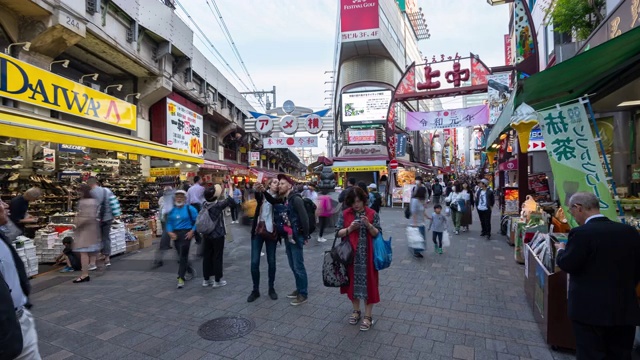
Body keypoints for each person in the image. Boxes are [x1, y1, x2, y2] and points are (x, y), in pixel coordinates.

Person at [555, 192, 640, 360]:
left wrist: (560, 251)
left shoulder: (582, 234)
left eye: (572, 212)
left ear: (578, 208)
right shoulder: (629, 232)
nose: (573, 216)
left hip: (589, 310)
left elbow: (567, 264)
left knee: (590, 354)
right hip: (624, 309)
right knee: (621, 355)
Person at [335, 187, 382, 331]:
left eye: (359, 201)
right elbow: (338, 233)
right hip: (351, 257)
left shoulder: (372, 213)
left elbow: (377, 234)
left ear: (363, 200)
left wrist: (368, 225)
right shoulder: (345, 214)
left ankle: (368, 316)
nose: (356, 205)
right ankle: (356, 310)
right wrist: (349, 229)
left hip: (368, 256)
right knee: (352, 285)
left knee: (370, 286)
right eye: (353, 202)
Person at [0, 200, 41, 359]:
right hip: (6, 333)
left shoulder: (2, 234)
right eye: (0, 201)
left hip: (20, 318)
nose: (5, 205)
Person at [277, 174, 310, 306]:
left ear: (290, 185)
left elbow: (304, 218)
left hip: (296, 237)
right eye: (279, 183)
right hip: (288, 237)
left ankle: (303, 293)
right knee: (293, 265)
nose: (280, 185)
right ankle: (299, 288)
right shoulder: (285, 199)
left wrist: (306, 235)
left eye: (283, 183)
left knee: (298, 265)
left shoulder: (296, 199)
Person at [248, 178, 281, 302]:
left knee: (271, 261)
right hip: (258, 230)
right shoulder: (262, 195)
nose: (276, 185)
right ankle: (255, 290)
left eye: (278, 183)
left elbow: (273, 201)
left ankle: (271, 288)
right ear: (269, 184)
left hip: (271, 232)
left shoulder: (280, 197)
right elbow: (258, 197)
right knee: (254, 262)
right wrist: (257, 189)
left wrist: (264, 192)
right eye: (274, 182)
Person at [201, 185, 235, 289]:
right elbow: (230, 199)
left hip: (206, 235)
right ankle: (217, 280)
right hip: (217, 235)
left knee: (207, 257)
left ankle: (206, 280)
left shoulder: (204, 204)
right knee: (217, 257)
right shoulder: (217, 206)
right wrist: (230, 186)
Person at [165, 190, 198, 289]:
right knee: (180, 256)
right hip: (176, 235)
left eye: (181, 197)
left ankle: (180, 278)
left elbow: (197, 220)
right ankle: (189, 269)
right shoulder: (172, 210)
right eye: (177, 197)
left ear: (185, 199)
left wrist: (192, 231)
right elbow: (169, 222)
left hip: (186, 234)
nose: (179, 198)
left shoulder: (190, 209)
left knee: (183, 255)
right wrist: (170, 232)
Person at [72, 184, 101, 283]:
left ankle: (84, 274)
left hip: (85, 230)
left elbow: (86, 216)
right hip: (92, 229)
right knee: (91, 251)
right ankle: (91, 266)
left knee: (83, 253)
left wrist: (76, 224)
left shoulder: (84, 202)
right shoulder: (94, 201)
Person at [87, 177, 115, 267]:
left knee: (94, 239)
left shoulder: (91, 193)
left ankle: (92, 263)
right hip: (108, 218)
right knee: (106, 238)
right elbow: (113, 203)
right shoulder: (107, 190)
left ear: (89, 184)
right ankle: (107, 259)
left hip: (96, 219)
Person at [153, 185, 175, 268]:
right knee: (165, 240)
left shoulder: (166, 199)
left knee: (166, 240)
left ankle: (159, 260)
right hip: (168, 222)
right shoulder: (165, 199)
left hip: (170, 222)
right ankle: (158, 260)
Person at [410, 186, 428, 258]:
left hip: (421, 222)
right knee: (418, 238)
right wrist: (415, 223)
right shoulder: (415, 200)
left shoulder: (421, 200)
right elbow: (413, 212)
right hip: (416, 222)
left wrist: (427, 217)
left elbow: (423, 210)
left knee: (421, 238)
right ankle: (416, 251)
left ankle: (417, 251)